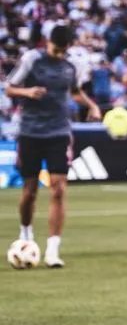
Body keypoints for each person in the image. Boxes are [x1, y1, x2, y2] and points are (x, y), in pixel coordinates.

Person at [5, 25, 101, 268]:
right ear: (48, 42)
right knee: (29, 191)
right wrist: (27, 91)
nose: (58, 54)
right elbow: (9, 87)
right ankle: (25, 234)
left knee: (58, 188)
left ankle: (53, 250)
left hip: (59, 132)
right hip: (29, 132)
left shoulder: (72, 65)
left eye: (62, 51)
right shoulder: (31, 60)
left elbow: (75, 91)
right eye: (55, 50)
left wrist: (91, 105)